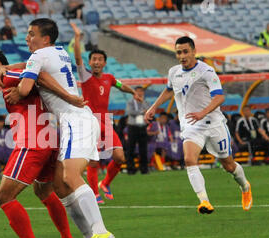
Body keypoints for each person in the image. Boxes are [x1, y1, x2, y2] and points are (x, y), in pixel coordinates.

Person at [0, 18, 115, 238]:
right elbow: (34, 68)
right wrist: (12, 68)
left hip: (75, 121)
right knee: (60, 184)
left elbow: (24, 88)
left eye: (32, 34)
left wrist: (14, 90)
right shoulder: (59, 52)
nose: (27, 38)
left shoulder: (39, 57)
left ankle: (101, 231)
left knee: (71, 176)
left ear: (45, 39)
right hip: (78, 120)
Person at [0, 49, 78, 238]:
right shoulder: (16, 76)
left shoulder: (8, 77)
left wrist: (10, 75)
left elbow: (38, 74)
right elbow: (33, 71)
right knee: (44, 192)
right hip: (49, 140)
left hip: (32, 142)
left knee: (4, 197)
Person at [144, 36, 252, 214]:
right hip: (191, 125)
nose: (182, 56)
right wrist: (153, 107)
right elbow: (169, 90)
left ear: (194, 51)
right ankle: (204, 201)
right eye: (179, 52)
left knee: (228, 165)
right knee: (189, 159)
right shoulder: (173, 72)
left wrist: (203, 112)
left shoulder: (207, 71)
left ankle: (245, 187)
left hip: (213, 123)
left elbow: (219, 97)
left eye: (186, 51)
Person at [71, 23, 139, 204]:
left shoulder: (109, 78)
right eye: (93, 59)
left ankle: (105, 183)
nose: (96, 62)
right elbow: (78, 58)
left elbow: (120, 85)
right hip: (90, 122)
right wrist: (77, 37)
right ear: (90, 61)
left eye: (100, 59)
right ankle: (94, 193)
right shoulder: (85, 76)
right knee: (94, 162)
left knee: (119, 157)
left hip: (106, 122)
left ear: (104, 62)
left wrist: (132, 92)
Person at [125, 86, 150, 175]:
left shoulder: (145, 102)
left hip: (142, 127)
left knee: (143, 149)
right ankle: (130, 169)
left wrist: (142, 102)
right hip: (132, 127)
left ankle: (144, 169)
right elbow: (130, 112)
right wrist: (141, 112)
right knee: (130, 148)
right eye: (138, 91)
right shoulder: (130, 102)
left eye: (141, 91)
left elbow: (148, 111)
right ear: (134, 93)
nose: (139, 93)